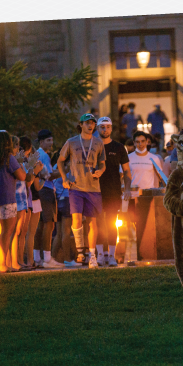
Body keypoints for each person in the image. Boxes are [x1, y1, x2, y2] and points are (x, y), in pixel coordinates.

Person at [58, 114, 107, 268]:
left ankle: (92, 255)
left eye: (93, 123)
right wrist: (64, 178)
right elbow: (60, 160)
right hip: (76, 187)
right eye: (87, 123)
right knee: (76, 218)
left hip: (93, 188)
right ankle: (80, 251)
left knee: (93, 221)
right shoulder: (71, 142)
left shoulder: (98, 142)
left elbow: (103, 164)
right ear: (81, 125)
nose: (90, 125)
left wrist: (100, 171)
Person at [0, 131, 37, 273]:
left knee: (0, 232)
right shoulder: (9, 158)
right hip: (8, 198)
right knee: (7, 232)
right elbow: (23, 177)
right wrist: (31, 168)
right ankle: (3, 264)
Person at [95, 116, 132, 267]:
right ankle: (99, 255)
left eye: (107, 127)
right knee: (97, 224)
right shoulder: (92, 146)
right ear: (98, 128)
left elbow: (127, 171)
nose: (105, 130)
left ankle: (111, 256)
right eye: (102, 127)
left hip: (113, 190)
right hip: (95, 190)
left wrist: (127, 188)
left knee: (111, 223)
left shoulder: (118, 147)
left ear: (111, 128)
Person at [126, 130, 164, 258]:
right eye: (137, 142)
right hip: (133, 197)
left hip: (150, 198)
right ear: (134, 142)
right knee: (133, 226)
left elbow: (160, 177)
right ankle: (131, 254)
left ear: (147, 142)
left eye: (143, 141)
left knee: (147, 226)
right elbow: (123, 176)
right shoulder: (129, 158)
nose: (140, 144)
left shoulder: (154, 158)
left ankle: (146, 254)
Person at [34, 129, 63, 269]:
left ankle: (37, 257)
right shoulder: (43, 155)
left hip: (41, 190)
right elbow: (48, 175)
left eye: (51, 140)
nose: (51, 143)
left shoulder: (40, 154)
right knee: (49, 224)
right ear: (41, 142)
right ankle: (47, 258)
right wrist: (65, 171)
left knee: (40, 225)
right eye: (48, 141)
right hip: (46, 190)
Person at [52, 158, 77, 267]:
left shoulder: (54, 168)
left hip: (57, 200)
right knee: (66, 232)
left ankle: (51, 258)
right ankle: (67, 259)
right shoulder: (68, 170)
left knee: (59, 233)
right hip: (67, 200)